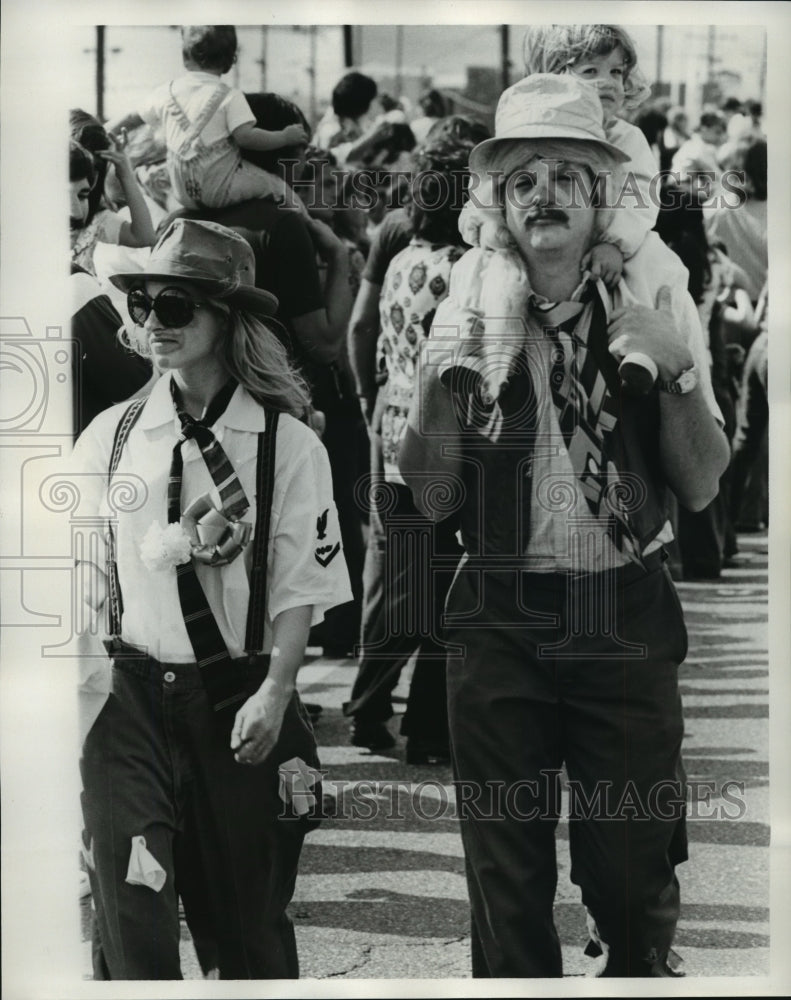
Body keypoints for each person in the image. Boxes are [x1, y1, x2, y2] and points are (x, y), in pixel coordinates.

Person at [399, 74, 730, 977]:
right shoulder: (466, 304)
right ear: (499, 206)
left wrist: (679, 378)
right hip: (499, 611)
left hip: (622, 610)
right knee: (503, 884)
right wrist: (440, 382)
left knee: (629, 874)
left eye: (566, 175)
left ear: (599, 198)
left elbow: (700, 489)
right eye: (521, 179)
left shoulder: (653, 298)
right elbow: (427, 497)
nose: (543, 194)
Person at [70, 219, 352, 979]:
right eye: (140, 305)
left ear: (225, 316)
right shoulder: (110, 437)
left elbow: (300, 588)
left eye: (175, 306)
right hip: (126, 696)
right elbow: (82, 573)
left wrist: (275, 690)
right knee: (131, 907)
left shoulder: (287, 445)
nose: (152, 323)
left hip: (238, 691)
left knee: (247, 921)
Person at [344, 132, 476, 761]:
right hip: (448, 439)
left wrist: (371, 404)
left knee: (396, 582)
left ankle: (369, 708)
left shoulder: (402, 258)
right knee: (447, 582)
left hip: (394, 429)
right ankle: (429, 726)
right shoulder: (468, 269)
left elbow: (361, 328)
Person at [508, 24, 658, 286]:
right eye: (591, 71)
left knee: (656, 270)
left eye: (616, 72)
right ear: (556, 79)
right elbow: (494, 182)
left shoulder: (626, 138)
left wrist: (616, 243)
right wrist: (487, 225)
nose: (608, 82)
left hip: (607, 250)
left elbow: (642, 195)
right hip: (543, 243)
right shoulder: (538, 132)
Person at [106, 26, 308, 212]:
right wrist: (284, 137)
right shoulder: (231, 97)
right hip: (219, 187)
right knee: (277, 188)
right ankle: (308, 223)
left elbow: (132, 118)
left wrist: (102, 131)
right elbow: (246, 138)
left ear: (185, 57)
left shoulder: (165, 93)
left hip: (182, 192)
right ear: (230, 61)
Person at [70, 134, 156, 275]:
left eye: (82, 195)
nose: (77, 212)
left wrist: (125, 174)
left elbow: (145, 237)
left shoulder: (97, 219)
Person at [312, 71, 379, 164]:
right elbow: (336, 159)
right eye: (371, 101)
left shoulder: (348, 123)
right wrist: (374, 137)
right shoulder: (332, 131)